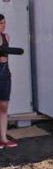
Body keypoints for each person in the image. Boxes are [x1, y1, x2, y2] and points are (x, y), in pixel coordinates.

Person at [0, 13, 17, 149]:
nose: (3, 25)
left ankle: (4, 138)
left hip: (5, 76)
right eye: (1, 23)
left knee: (4, 107)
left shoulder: (6, 37)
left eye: (4, 22)